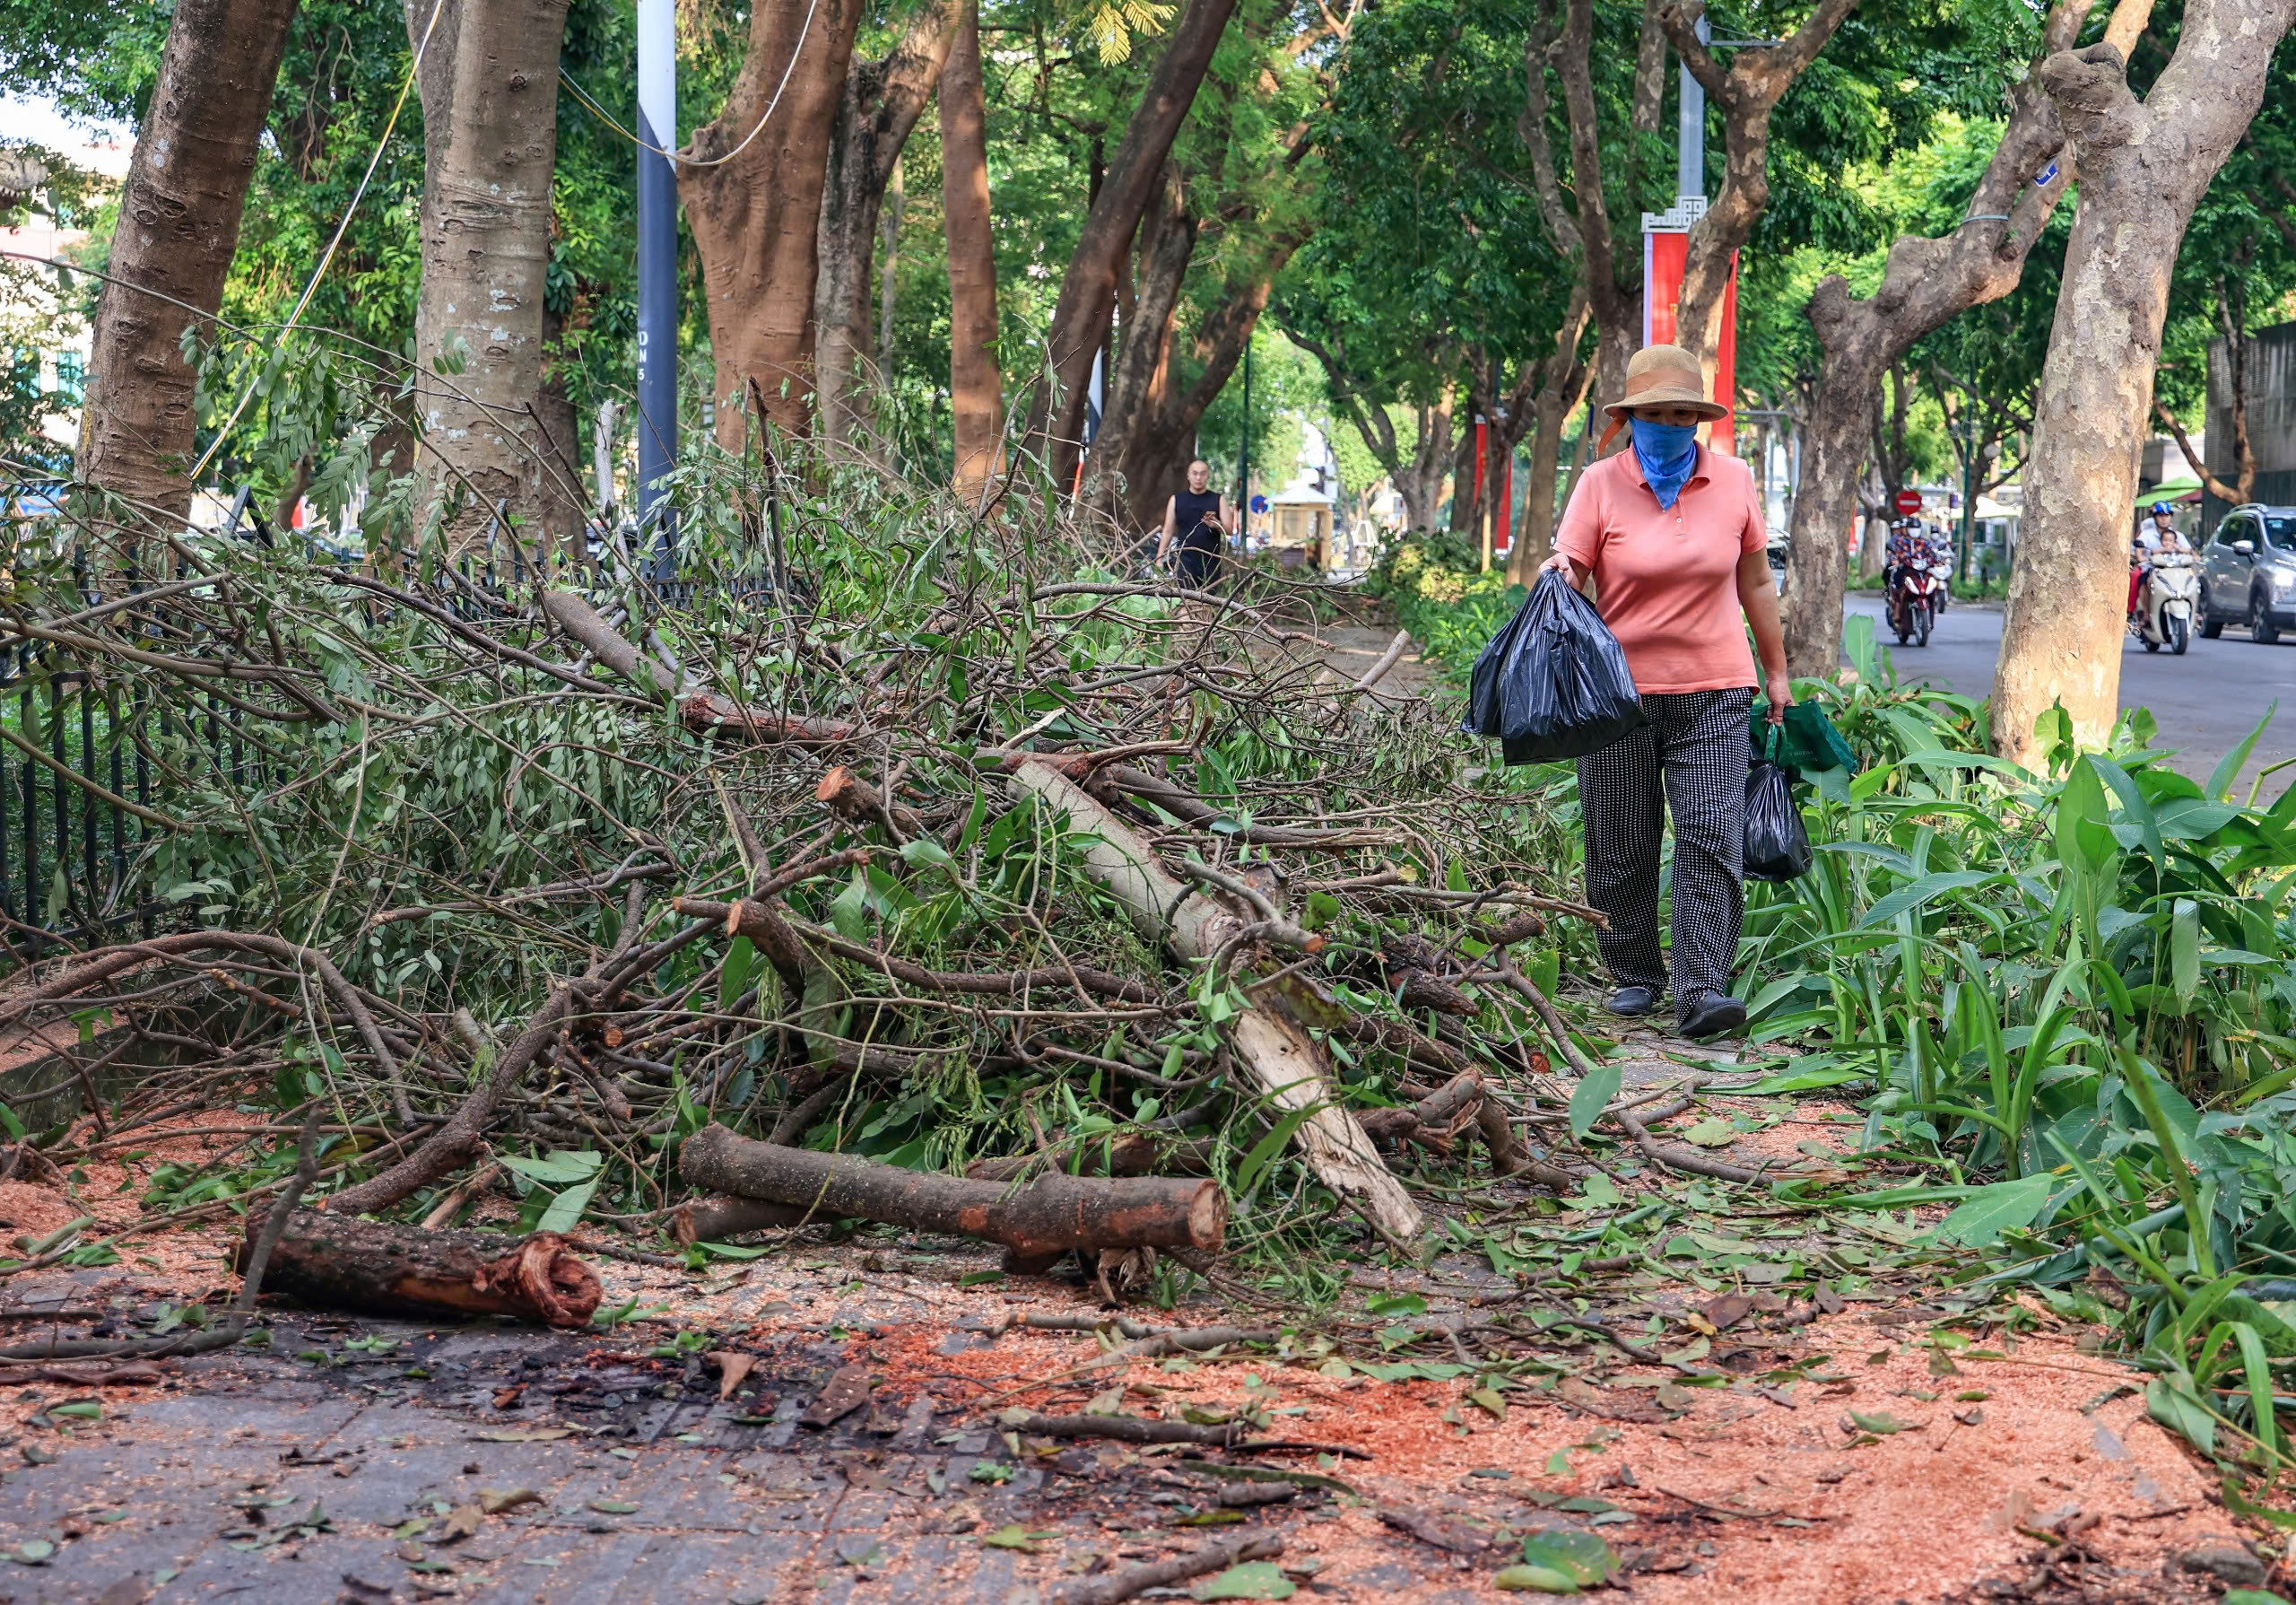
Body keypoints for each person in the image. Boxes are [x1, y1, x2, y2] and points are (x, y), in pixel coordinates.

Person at [1539, 344, 1791, 1040]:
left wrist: (1776, 671)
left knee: (1711, 831)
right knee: (1620, 840)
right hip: (1616, 697)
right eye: (1656, 413)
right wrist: (1557, 573)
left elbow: (1756, 581)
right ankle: (1636, 973)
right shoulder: (1599, 483)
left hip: (1714, 690)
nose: (1670, 424)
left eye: (1683, 413)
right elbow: (1575, 570)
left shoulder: (1735, 480)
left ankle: (1702, 985)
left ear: (1699, 420)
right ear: (1631, 418)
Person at [1157, 460, 1236, 588]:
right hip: (1184, 560)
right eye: (1195, 473)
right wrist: (1159, 558)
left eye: (1202, 474)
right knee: (1184, 603)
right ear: (1188, 475)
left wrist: (1216, 524)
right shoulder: (1176, 500)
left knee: (1209, 604)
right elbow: (1168, 531)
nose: (1198, 477)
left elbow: (1230, 530)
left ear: (1208, 476)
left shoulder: (1218, 499)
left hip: (1211, 561)